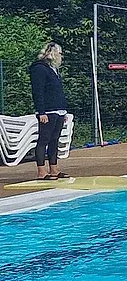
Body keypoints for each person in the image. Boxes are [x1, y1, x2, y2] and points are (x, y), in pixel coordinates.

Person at [29, 42, 69, 180]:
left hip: (58, 110)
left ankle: (54, 168)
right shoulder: (40, 69)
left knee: (54, 140)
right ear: (54, 54)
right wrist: (41, 112)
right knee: (43, 140)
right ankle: (41, 171)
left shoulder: (53, 69)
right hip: (48, 110)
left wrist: (63, 110)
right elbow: (38, 92)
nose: (61, 56)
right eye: (60, 53)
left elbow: (58, 92)